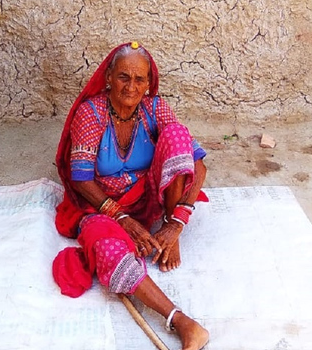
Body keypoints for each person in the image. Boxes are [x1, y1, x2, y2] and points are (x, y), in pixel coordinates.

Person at [52, 42, 210, 350]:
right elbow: (81, 179)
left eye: (140, 79)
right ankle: (182, 322)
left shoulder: (155, 108)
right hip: (101, 206)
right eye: (124, 76)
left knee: (177, 135)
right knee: (105, 248)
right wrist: (121, 218)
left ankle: (166, 232)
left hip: (150, 199)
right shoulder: (91, 113)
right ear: (109, 77)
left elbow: (198, 165)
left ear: (149, 83)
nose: (131, 86)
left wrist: (175, 224)